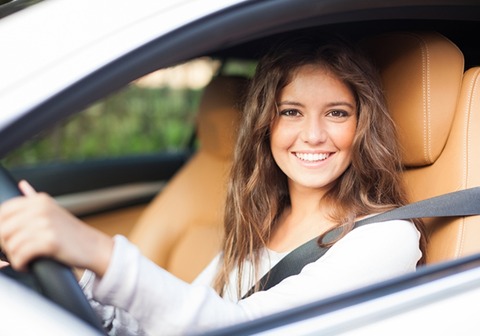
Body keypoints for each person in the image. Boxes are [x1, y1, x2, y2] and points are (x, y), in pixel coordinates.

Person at [0, 35, 427, 335]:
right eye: (291, 112)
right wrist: (72, 285)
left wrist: (96, 251)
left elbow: (238, 330)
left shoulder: (386, 239)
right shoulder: (263, 218)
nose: (313, 135)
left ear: (363, 125)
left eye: (336, 113)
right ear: (265, 124)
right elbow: (184, 320)